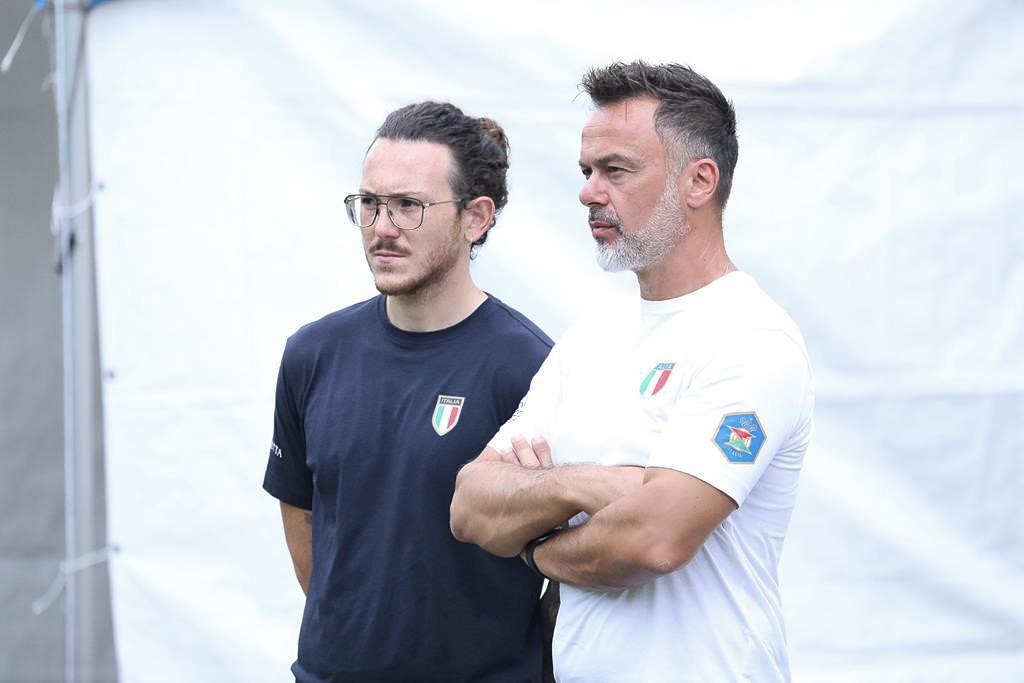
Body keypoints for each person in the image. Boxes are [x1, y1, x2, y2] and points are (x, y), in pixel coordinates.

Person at [450, 61, 814, 682]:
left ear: (699, 181)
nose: (589, 192)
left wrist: (534, 547)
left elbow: (654, 541)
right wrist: (591, 485)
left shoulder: (754, 339)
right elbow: (470, 505)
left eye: (615, 170)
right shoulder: (591, 338)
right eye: (587, 171)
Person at [263, 101, 554, 682]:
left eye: (408, 206)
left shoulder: (530, 369)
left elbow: (567, 559)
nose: (382, 228)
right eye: (370, 203)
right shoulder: (312, 355)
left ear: (476, 218)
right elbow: (303, 520)